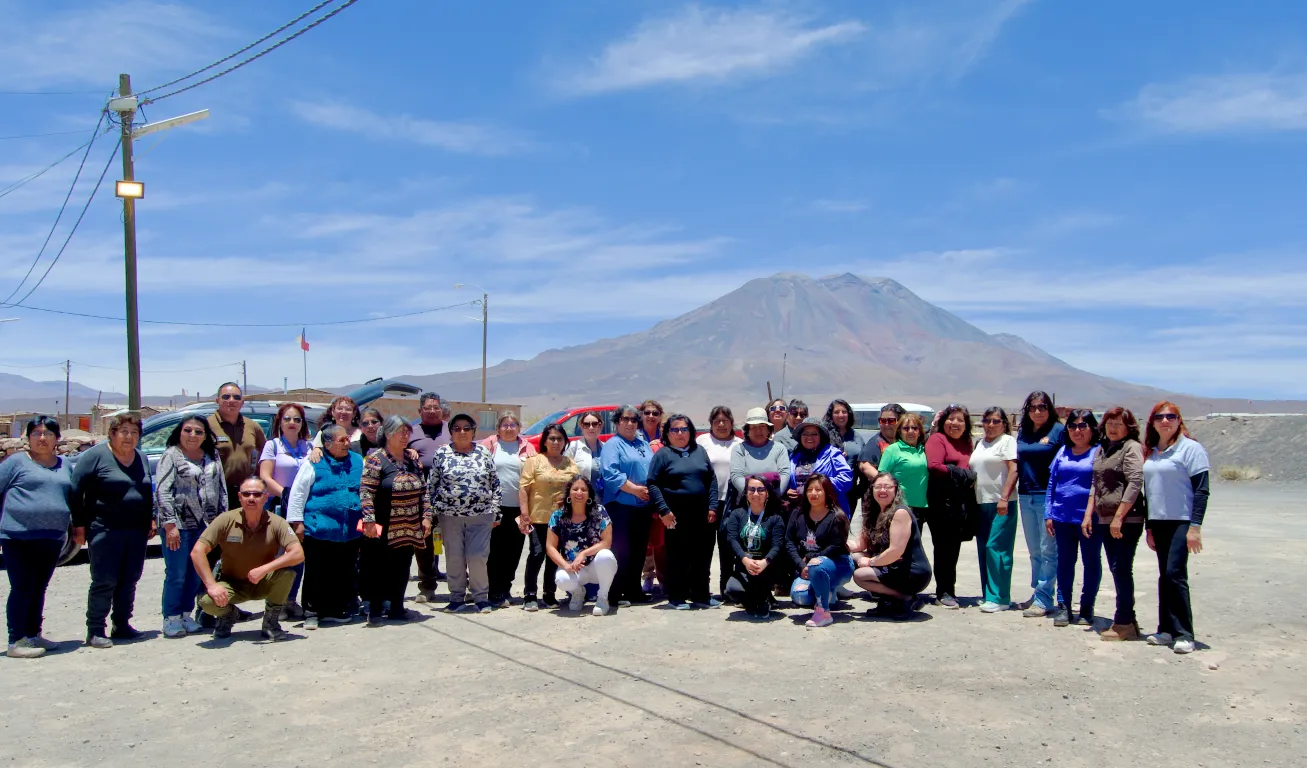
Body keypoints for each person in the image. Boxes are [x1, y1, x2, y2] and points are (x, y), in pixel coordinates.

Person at [71, 412, 154, 648]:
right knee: (104, 580)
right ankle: (95, 629)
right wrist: (79, 525)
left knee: (130, 579)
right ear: (113, 433)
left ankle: (122, 624)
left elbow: (147, 492)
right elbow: (76, 492)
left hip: (136, 531)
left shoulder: (141, 458)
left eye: (134, 432)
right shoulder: (95, 456)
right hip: (104, 529)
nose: (129, 437)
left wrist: (151, 519)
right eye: (124, 432)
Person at [0, 416, 80, 658]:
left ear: (57, 438)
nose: (42, 438)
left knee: (39, 587)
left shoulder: (65, 465)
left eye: (47, 433)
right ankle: (16, 640)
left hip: (52, 536)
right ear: (28, 437)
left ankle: (33, 635)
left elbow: (73, 497)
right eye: (36, 433)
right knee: (22, 586)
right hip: (18, 536)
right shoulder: (15, 463)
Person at [192, 477, 304, 641]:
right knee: (206, 602)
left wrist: (265, 569)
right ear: (239, 497)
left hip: (263, 582)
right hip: (232, 584)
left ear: (266, 497)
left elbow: (298, 554)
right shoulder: (225, 520)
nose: (251, 498)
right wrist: (211, 585)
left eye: (257, 494)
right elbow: (197, 552)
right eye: (246, 494)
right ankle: (229, 615)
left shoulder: (277, 522)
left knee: (287, 573)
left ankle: (271, 622)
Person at [1141, 401, 1210, 655]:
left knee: (1174, 574)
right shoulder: (1152, 451)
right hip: (1158, 521)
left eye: (1171, 416)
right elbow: (1150, 492)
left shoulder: (1191, 449)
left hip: (1181, 520)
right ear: (1153, 422)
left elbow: (1202, 490)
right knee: (1164, 576)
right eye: (1160, 417)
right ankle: (1166, 629)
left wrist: (1195, 527)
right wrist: (1149, 526)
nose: (1165, 421)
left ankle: (1184, 633)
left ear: (1179, 420)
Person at [154, 416, 226, 638]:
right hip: (178, 525)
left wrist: (222, 524)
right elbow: (162, 491)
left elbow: (221, 488)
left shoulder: (212, 455)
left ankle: (186, 614)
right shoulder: (171, 455)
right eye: (188, 430)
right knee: (176, 573)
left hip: (206, 526)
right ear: (180, 432)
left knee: (196, 573)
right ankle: (171, 618)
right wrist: (169, 525)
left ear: (206, 435)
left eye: (198, 431)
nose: (193, 435)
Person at [287, 424, 363, 630]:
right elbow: (298, 493)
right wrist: (297, 523)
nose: (347, 442)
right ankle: (312, 612)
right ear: (327, 444)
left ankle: (337, 610)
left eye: (348, 438)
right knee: (316, 572)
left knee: (343, 571)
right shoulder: (314, 461)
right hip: (318, 529)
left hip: (349, 531)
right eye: (342, 440)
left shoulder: (357, 461)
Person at [360, 415, 432, 625]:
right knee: (378, 568)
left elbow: (424, 490)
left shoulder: (412, 459)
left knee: (402, 566)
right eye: (401, 432)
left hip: (408, 525)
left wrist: (426, 516)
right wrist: (369, 520)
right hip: (382, 525)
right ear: (388, 434)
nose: (405, 436)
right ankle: (374, 611)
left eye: (407, 432)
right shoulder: (376, 460)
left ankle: (397, 607)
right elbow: (366, 491)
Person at [429, 413, 500, 614]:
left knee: (477, 556)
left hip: (482, 515)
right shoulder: (442, 453)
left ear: (473, 431)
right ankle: (456, 598)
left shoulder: (484, 452)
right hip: (449, 517)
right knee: (454, 558)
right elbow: (431, 485)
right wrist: (432, 512)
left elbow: (495, 483)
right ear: (450, 432)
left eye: (467, 428)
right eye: (457, 428)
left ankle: (480, 597)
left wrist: (495, 510)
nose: (462, 432)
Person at [649, 414, 720, 610]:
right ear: (668, 433)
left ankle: (701, 596)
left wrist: (712, 506)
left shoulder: (699, 451)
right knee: (678, 557)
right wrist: (663, 510)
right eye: (675, 430)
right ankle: (677, 598)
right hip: (675, 515)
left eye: (684, 429)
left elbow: (711, 479)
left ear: (690, 432)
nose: (680, 433)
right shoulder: (663, 455)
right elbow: (653, 483)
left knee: (702, 556)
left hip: (702, 514)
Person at [1088, 407, 1146, 642]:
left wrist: (1119, 517)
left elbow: (1135, 481)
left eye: (1118, 424)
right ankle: (1128, 620)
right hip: (1105, 518)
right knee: (1116, 568)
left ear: (1128, 428)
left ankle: (1123, 622)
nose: (1113, 428)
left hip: (1125, 520)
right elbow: (1096, 483)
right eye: (1109, 423)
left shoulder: (1131, 447)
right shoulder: (1103, 448)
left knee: (1121, 569)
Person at [1044, 409, 1102, 628]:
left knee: (1091, 562)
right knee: (1065, 563)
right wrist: (1049, 513)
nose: (1077, 431)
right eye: (1072, 426)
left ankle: (1087, 607)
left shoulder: (1098, 452)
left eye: (1082, 426)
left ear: (1092, 429)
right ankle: (1064, 607)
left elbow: (1098, 486)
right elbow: (1052, 484)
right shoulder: (1063, 452)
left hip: (1089, 520)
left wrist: (1090, 513)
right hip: (1061, 517)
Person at [851, 473, 932, 620]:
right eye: (878, 487)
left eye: (887, 487)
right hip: (891, 565)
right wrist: (834, 543)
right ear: (872, 489)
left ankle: (906, 597)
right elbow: (859, 545)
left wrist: (870, 562)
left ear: (896, 490)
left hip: (910, 571)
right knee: (854, 558)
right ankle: (888, 601)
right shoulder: (873, 511)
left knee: (860, 575)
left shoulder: (900, 512)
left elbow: (895, 551)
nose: (883, 490)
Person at [258, 402, 312, 620]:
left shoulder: (309, 447)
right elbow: (265, 476)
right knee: (280, 556)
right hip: (280, 507)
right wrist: (286, 495)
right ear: (279, 422)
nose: (292, 423)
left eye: (297, 419)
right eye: (287, 419)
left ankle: (291, 600)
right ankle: (275, 603)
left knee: (298, 557)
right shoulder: (273, 446)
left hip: (303, 509)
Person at [517, 424, 579, 611]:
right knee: (537, 554)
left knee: (555, 557)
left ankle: (549, 594)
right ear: (544, 441)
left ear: (565, 442)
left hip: (561, 520)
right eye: (552, 438)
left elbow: (577, 488)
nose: (555, 442)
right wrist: (524, 514)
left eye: (560, 439)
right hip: (537, 518)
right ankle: (529, 595)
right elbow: (524, 488)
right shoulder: (534, 461)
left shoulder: (570, 463)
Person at [599, 405, 654, 607]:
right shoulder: (612, 445)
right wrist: (635, 490)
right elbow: (610, 474)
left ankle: (633, 590)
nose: (630, 423)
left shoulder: (642, 443)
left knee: (639, 549)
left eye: (633, 420)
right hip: (620, 505)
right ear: (617, 421)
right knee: (621, 549)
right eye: (625, 419)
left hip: (643, 506)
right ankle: (615, 593)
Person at [1015, 391, 1063, 618]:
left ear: (1049, 408)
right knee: (1034, 550)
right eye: (1032, 407)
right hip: (1026, 495)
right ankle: (1038, 593)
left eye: (1042, 407)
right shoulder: (1024, 432)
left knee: (1048, 549)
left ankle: (1045, 599)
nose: (1037, 411)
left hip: (1047, 496)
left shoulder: (1058, 431)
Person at [924, 404, 977, 609]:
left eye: (960, 420)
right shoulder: (938, 439)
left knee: (953, 548)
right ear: (943, 421)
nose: (955, 423)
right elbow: (934, 466)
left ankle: (949, 589)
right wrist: (964, 474)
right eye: (951, 419)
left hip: (961, 503)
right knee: (944, 548)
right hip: (941, 503)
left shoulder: (967, 442)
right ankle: (943, 592)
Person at [480, 412, 536, 608]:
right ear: (498, 428)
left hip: (520, 508)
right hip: (495, 507)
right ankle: (493, 590)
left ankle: (506, 588)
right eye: (505, 424)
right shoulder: (489, 444)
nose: (509, 428)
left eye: (513, 425)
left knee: (514, 550)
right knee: (495, 550)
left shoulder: (527, 447)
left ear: (519, 428)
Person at [785, 474, 853, 628]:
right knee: (800, 596)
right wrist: (801, 566)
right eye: (809, 490)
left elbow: (835, 547)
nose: (813, 493)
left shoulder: (837, 516)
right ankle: (827, 592)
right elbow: (788, 541)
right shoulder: (798, 513)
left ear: (827, 492)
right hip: (809, 567)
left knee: (817, 564)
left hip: (838, 564)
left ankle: (823, 612)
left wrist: (810, 559)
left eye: (818, 490)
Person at [970, 407, 1019, 613]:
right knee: (984, 549)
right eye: (987, 420)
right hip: (981, 504)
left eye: (996, 421)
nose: (991, 425)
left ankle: (1001, 597)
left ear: (1004, 424)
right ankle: (989, 594)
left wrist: (1004, 498)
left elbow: (1013, 469)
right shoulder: (980, 443)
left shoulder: (1007, 441)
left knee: (996, 548)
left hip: (1002, 502)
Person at [547, 476, 617, 616]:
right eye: (575, 489)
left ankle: (602, 597)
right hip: (574, 567)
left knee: (606, 556)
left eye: (584, 490)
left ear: (589, 494)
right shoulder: (558, 515)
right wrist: (566, 566)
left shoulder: (600, 511)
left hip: (596, 565)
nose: (579, 492)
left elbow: (606, 542)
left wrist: (583, 553)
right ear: (569, 493)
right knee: (561, 578)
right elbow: (550, 547)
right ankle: (578, 592)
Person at [723, 475, 787, 619]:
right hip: (745, 565)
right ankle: (753, 601)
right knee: (732, 589)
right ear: (746, 493)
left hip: (767, 566)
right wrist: (745, 560)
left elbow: (778, 545)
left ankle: (765, 597)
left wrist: (765, 561)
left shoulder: (775, 517)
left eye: (760, 490)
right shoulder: (737, 514)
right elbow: (732, 539)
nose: (756, 493)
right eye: (751, 489)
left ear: (767, 493)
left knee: (761, 589)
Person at [409, 392, 450, 602]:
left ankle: (459, 584)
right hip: (422, 498)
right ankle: (427, 585)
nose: (432, 411)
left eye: (436, 407)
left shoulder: (453, 431)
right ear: (420, 411)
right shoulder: (411, 433)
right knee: (423, 543)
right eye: (428, 408)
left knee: (454, 543)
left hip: (452, 498)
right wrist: (409, 451)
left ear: (441, 410)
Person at [698, 405, 741, 598]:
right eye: (717, 421)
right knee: (704, 547)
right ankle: (701, 588)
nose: (721, 424)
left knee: (728, 546)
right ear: (711, 424)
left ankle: (727, 588)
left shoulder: (740, 444)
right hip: (708, 502)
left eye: (725, 421)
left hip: (732, 502)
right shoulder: (702, 442)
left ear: (732, 423)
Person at [207, 382, 267, 510]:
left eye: (236, 397)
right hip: (214, 493)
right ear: (217, 400)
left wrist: (258, 477)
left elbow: (266, 454)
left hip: (246, 494)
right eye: (226, 397)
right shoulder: (206, 426)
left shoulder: (252, 426)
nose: (231, 400)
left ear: (242, 402)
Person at [785, 418, 853, 514]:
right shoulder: (794, 456)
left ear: (821, 436)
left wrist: (820, 487)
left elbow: (846, 479)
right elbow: (789, 478)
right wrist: (789, 490)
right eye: (805, 433)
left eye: (814, 434)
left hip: (829, 511)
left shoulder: (832, 453)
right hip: (801, 511)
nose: (809, 437)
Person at [874, 413, 928, 520]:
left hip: (921, 506)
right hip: (899, 506)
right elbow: (881, 478)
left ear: (920, 431)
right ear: (899, 431)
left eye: (914, 428)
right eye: (906, 428)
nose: (911, 431)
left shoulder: (923, 449)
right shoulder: (892, 450)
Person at [729, 407, 792, 496]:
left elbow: (784, 474)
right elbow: (736, 476)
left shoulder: (780, 448)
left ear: (768, 429)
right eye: (754, 427)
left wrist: (772, 497)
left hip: (774, 501)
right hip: (748, 501)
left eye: (762, 426)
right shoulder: (739, 449)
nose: (758, 431)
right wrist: (754, 497)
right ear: (748, 431)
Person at [822, 399, 866, 501]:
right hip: (828, 490)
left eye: (844, 412)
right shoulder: (824, 436)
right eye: (836, 412)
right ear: (831, 415)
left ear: (849, 414)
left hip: (851, 492)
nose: (841, 415)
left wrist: (860, 488)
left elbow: (863, 462)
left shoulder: (856, 437)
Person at [857, 403, 907, 489]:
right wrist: (889, 486)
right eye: (883, 421)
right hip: (880, 497)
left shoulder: (905, 442)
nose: (886, 425)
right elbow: (865, 466)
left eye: (891, 421)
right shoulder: (874, 444)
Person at [564, 412, 605, 485]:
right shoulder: (573, 447)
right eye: (586, 424)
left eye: (594, 424)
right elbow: (564, 473)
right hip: (582, 495)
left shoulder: (606, 448)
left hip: (604, 495)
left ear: (600, 426)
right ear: (581, 427)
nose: (591, 428)